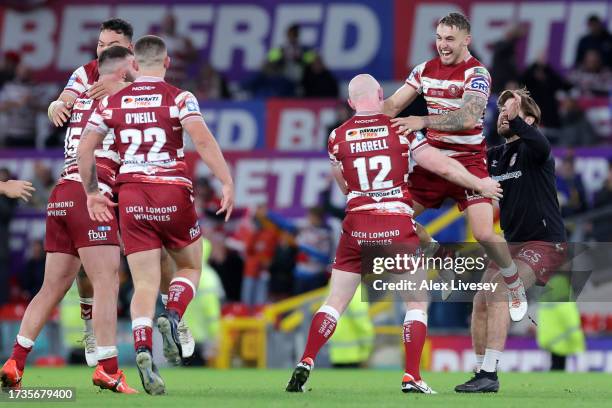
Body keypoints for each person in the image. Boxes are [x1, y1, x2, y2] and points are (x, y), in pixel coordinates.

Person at [285, 73, 501, 394]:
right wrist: (477, 182)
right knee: (416, 303)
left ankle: (306, 360)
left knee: (334, 302)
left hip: (356, 225)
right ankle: (412, 375)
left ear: (350, 103)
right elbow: (442, 166)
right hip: (396, 223)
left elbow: (344, 186)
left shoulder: (336, 137)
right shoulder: (401, 130)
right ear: (380, 95)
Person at [77, 35, 234, 395]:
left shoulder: (113, 102)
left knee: (144, 282)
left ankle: (143, 348)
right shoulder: (180, 97)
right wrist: (227, 182)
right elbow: (204, 142)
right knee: (191, 266)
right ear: (166, 63)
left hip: (131, 196)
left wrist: (90, 192)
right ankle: (174, 315)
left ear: (134, 65)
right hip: (172, 191)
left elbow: (85, 148)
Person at [47, 18, 196, 366]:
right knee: (88, 267)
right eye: (99, 43)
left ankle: (176, 317)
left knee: (157, 255)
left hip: (131, 179)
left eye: (109, 43)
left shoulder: (144, 78)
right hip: (93, 180)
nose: (101, 50)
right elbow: (67, 95)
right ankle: (88, 325)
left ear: (130, 49)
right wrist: (58, 103)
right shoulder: (86, 72)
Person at [0, 46, 139, 393]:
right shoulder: (124, 101)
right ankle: (108, 368)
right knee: (107, 282)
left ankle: (15, 361)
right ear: (121, 72)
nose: (137, 74)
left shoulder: (84, 97)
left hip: (61, 193)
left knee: (51, 288)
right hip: (90, 190)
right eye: (132, 68)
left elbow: (62, 104)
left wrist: (54, 103)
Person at [382, 12, 527, 321]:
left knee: (485, 234)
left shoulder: (477, 73)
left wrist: (421, 119)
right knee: (393, 221)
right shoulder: (424, 70)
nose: (443, 45)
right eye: (439, 38)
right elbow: (393, 106)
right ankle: (441, 257)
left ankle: (514, 283)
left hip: (469, 163)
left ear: (466, 40)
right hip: (432, 162)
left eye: (449, 39)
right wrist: (360, 124)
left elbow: (467, 117)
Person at [455, 89, 568, 393]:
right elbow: (462, 164)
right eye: (502, 110)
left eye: (511, 110)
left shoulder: (536, 150)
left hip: (544, 242)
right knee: (480, 300)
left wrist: (518, 120)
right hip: (512, 244)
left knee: (502, 289)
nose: (503, 114)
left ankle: (491, 373)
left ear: (528, 118)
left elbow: (540, 141)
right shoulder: (495, 156)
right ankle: (481, 371)